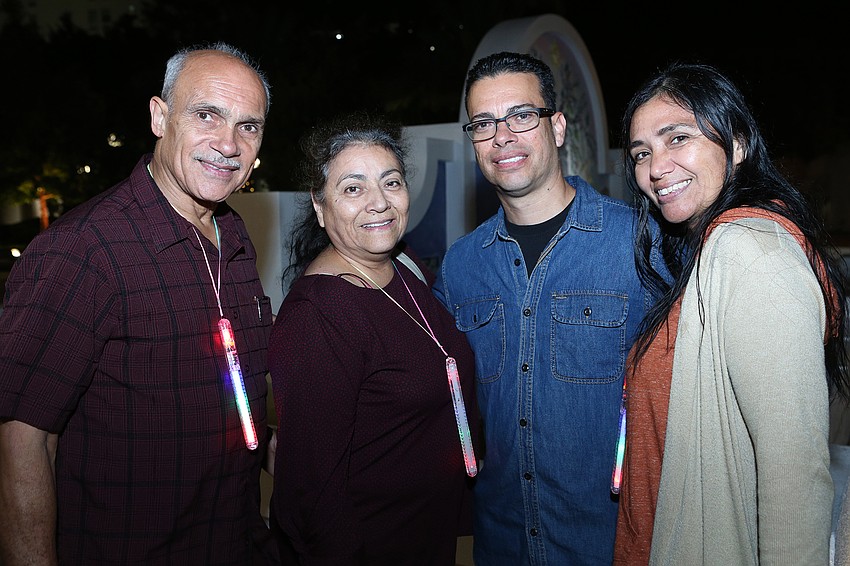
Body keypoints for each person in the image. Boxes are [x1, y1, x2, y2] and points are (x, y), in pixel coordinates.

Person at [0, 42, 279, 564]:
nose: (229, 143)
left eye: (249, 125)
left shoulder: (234, 238)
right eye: (206, 115)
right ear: (159, 117)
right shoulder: (83, 251)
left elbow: (223, 397)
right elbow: (21, 438)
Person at [612, 61, 850, 565]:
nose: (656, 168)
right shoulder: (710, 249)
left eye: (676, 138)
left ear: (737, 144)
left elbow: (794, 472)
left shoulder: (748, 250)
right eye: (641, 153)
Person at [433, 51, 657, 565]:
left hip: (611, 547)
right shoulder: (461, 267)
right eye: (484, 123)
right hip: (500, 546)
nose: (502, 136)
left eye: (521, 116)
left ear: (557, 127)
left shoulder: (638, 245)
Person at [267, 112, 479, 565]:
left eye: (391, 182)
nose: (379, 202)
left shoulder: (405, 266)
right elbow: (309, 490)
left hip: (427, 536)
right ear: (320, 207)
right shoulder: (319, 316)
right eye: (353, 188)